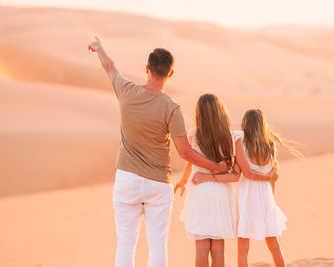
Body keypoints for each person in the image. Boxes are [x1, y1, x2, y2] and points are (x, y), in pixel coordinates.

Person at [88, 37, 227, 267]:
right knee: (158, 245)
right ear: (170, 74)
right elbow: (184, 151)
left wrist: (99, 48)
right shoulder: (171, 107)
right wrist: (216, 167)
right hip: (158, 184)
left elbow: (110, 67)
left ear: (147, 69)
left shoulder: (126, 91)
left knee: (125, 244)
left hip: (127, 180)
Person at [174, 95, 278, 267]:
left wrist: (183, 181)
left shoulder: (194, 135)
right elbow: (236, 175)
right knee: (218, 247)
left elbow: (191, 160)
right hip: (221, 193)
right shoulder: (233, 137)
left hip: (199, 191)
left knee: (201, 246)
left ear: (199, 114)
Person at [234, 109, 301, 267]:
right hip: (265, 196)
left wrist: (269, 180)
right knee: (273, 243)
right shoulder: (270, 145)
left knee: (243, 246)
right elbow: (273, 176)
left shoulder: (241, 142)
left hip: (247, 195)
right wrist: (270, 197)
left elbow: (248, 173)